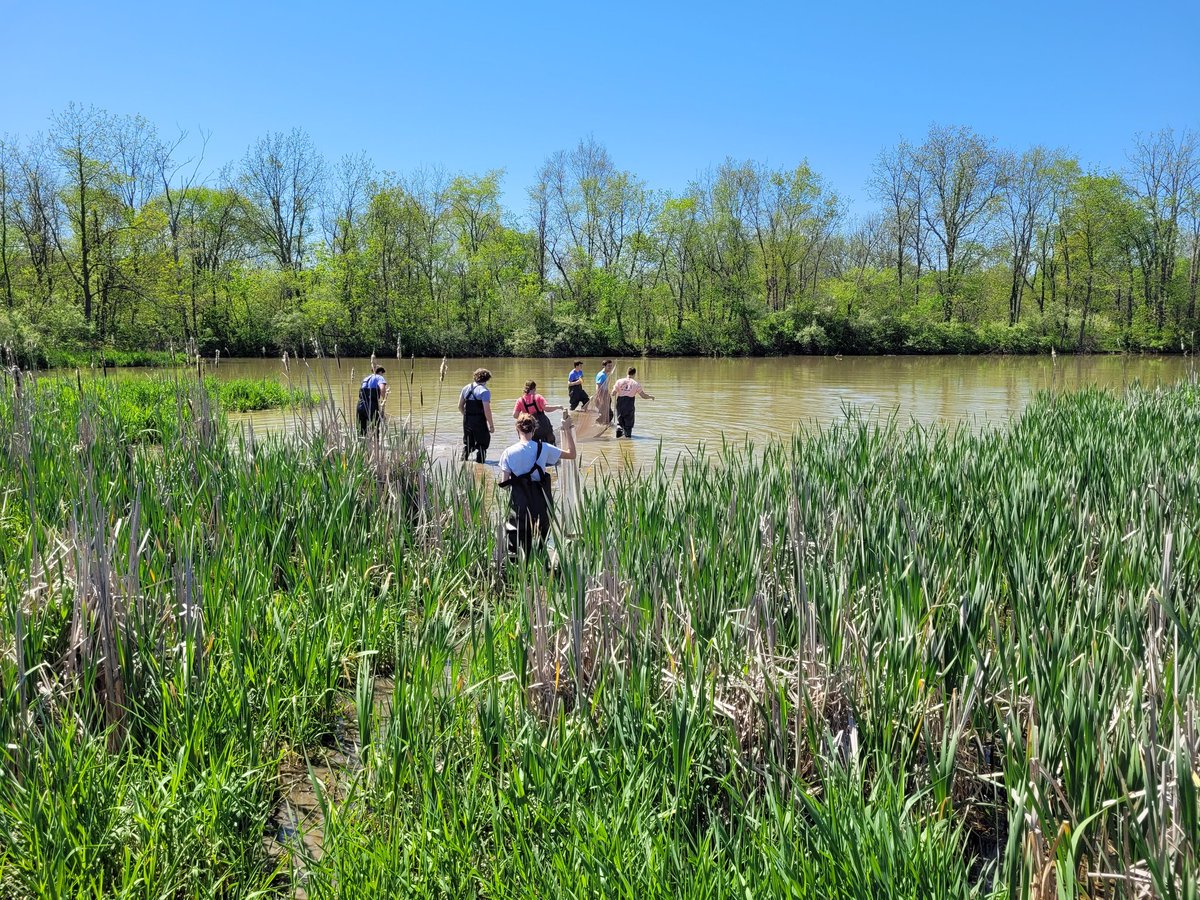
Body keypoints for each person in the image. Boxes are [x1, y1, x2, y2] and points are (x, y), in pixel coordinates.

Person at [498, 411, 577, 558]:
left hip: (519, 507)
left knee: (518, 549)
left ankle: (521, 575)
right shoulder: (544, 448)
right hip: (541, 505)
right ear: (534, 430)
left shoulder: (508, 452)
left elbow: (504, 483)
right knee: (540, 546)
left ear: (517, 429)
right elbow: (571, 454)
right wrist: (566, 429)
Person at [458, 368, 494, 462]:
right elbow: (487, 411)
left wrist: (466, 416)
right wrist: (491, 425)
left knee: (468, 443)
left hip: (467, 420)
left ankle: (462, 461)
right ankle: (480, 466)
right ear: (487, 379)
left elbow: (460, 406)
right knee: (482, 444)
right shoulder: (484, 391)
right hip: (479, 421)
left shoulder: (466, 388)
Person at [611, 366, 655, 438]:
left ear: (627, 372)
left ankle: (619, 430)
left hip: (620, 403)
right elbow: (643, 396)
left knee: (620, 419)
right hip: (629, 404)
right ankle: (628, 439)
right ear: (634, 374)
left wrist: (615, 389)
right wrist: (650, 397)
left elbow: (613, 393)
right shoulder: (636, 384)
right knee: (628, 423)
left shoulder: (619, 381)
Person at [356, 366, 388, 436]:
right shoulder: (379, 377)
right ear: (380, 372)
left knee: (361, 430)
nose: (382, 375)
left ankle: (362, 446)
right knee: (375, 429)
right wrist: (384, 399)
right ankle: (376, 445)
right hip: (371, 405)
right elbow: (382, 388)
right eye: (382, 373)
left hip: (360, 405)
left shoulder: (365, 379)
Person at [594, 359, 614, 425]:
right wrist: (600, 398)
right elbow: (598, 387)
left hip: (605, 395)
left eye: (611, 366)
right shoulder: (601, 375)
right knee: (606, 414)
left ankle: (603, 426)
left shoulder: (605, 374)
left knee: (608, 414)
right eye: (609, 366)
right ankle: (599, 426)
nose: (610, 367)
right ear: (604, 366)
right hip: (601, 396)